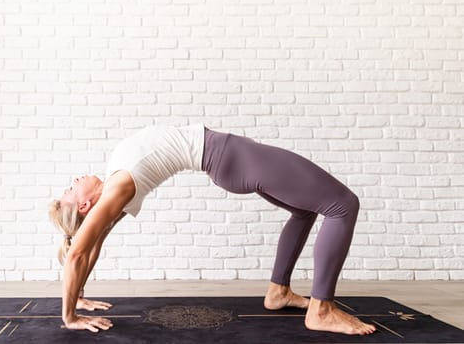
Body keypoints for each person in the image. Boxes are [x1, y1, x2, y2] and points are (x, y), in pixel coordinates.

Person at [48, 123, 376, 335]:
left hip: (233, 158)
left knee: (304, 209)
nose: (74, 180)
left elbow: (93, 243)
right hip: (234, 158)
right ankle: (321, 308)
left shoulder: (113, 187)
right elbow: (78, 251)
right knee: (342, 204)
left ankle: (279, 292)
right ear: (84, 206)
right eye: (70, 189)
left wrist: (78, 296)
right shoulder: (118, 188)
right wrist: (69, 316)